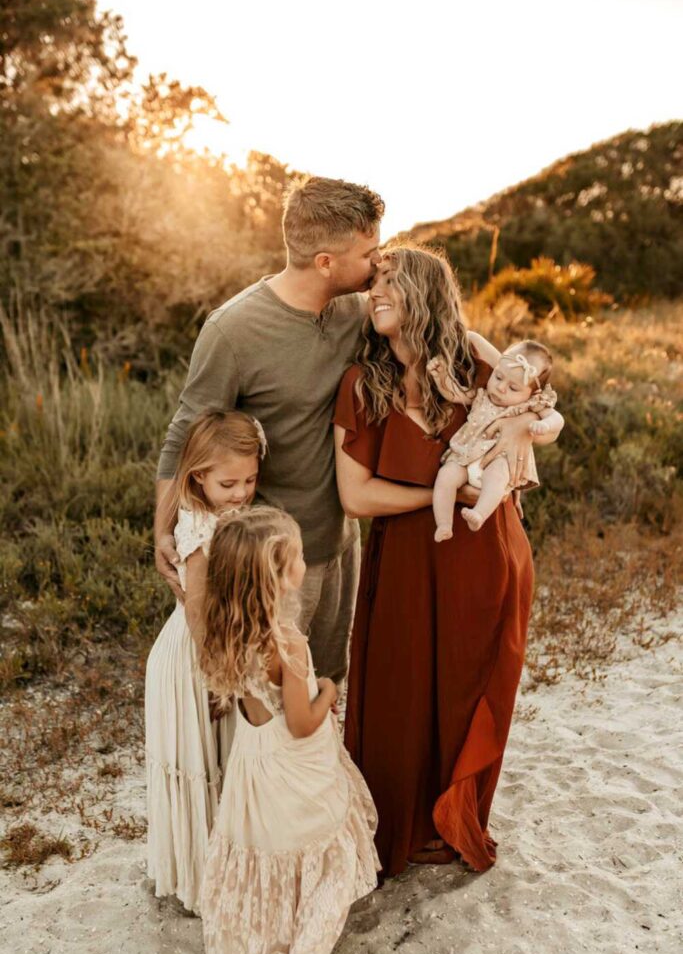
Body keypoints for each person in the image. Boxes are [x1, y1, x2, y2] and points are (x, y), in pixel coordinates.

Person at [333, 245, 563, 877]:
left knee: (472, 687)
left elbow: (538, 408)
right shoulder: (362, 382)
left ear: (427, 291)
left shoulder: (473, 355)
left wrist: (518, 442)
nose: (376, 291)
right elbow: (354, 497)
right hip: (409, 557)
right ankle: (398, 830)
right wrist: (441, 492)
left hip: (488, 550)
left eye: (392, 281)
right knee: (400, 696)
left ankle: (456, 819)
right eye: (373, 281)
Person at [154, 175, 385, 686]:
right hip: (270, 559)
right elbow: (185, 435)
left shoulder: (359, 311)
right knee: (269, 691)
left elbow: (430, 327)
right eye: (370, 252)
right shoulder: (232, 330)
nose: (378, 262)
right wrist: (162, 530)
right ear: (325, 262)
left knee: (327, 681)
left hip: (343, 541)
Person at [198, 507, 379, 954]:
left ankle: (267, 939)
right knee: (326, 859)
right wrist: (326, 690)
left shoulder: (226, 632)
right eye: (297, 555)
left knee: (272, 849)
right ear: (277, 577)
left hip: (256, 761)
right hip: (295, 763)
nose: (304, 561)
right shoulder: (287, 643)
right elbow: (301, 723)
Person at [145, 410, 266, 914]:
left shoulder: (231, 513)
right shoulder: (197, 521)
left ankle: (229, 864)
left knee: (227, 757)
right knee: (202, 760)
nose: (241, 492)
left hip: (225, 649)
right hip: (196, 655)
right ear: (198, 477)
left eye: (251, 480)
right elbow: (196, 605)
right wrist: (215, 676)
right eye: (229, 483)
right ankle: (203, 878)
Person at [428, 340, 563, 539]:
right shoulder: (482, 395)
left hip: (498, 459)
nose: (500, 388)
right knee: (446, 476)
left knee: (497, 476)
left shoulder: (531, 405)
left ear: (532, 393)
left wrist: (544, 425)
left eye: (513, 388)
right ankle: (444, 524)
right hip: (465, 456)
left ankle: (479, 514)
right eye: (498, 377)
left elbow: (557, 418)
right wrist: (442, 379)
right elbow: (457, 394)